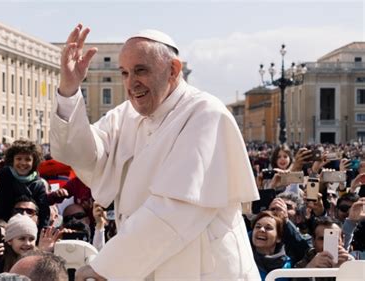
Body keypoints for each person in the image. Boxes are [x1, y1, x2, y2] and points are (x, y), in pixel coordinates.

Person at [49, 24, 260, 280]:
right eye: (124, 73)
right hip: (147, 264)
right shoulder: (126, 115)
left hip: (204, 268)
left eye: (141, 71)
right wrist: (70, 91)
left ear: (173, 70)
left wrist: (107, 266)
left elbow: (176, 208)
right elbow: (79, 154)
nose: (131, 83)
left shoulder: (205, 113)